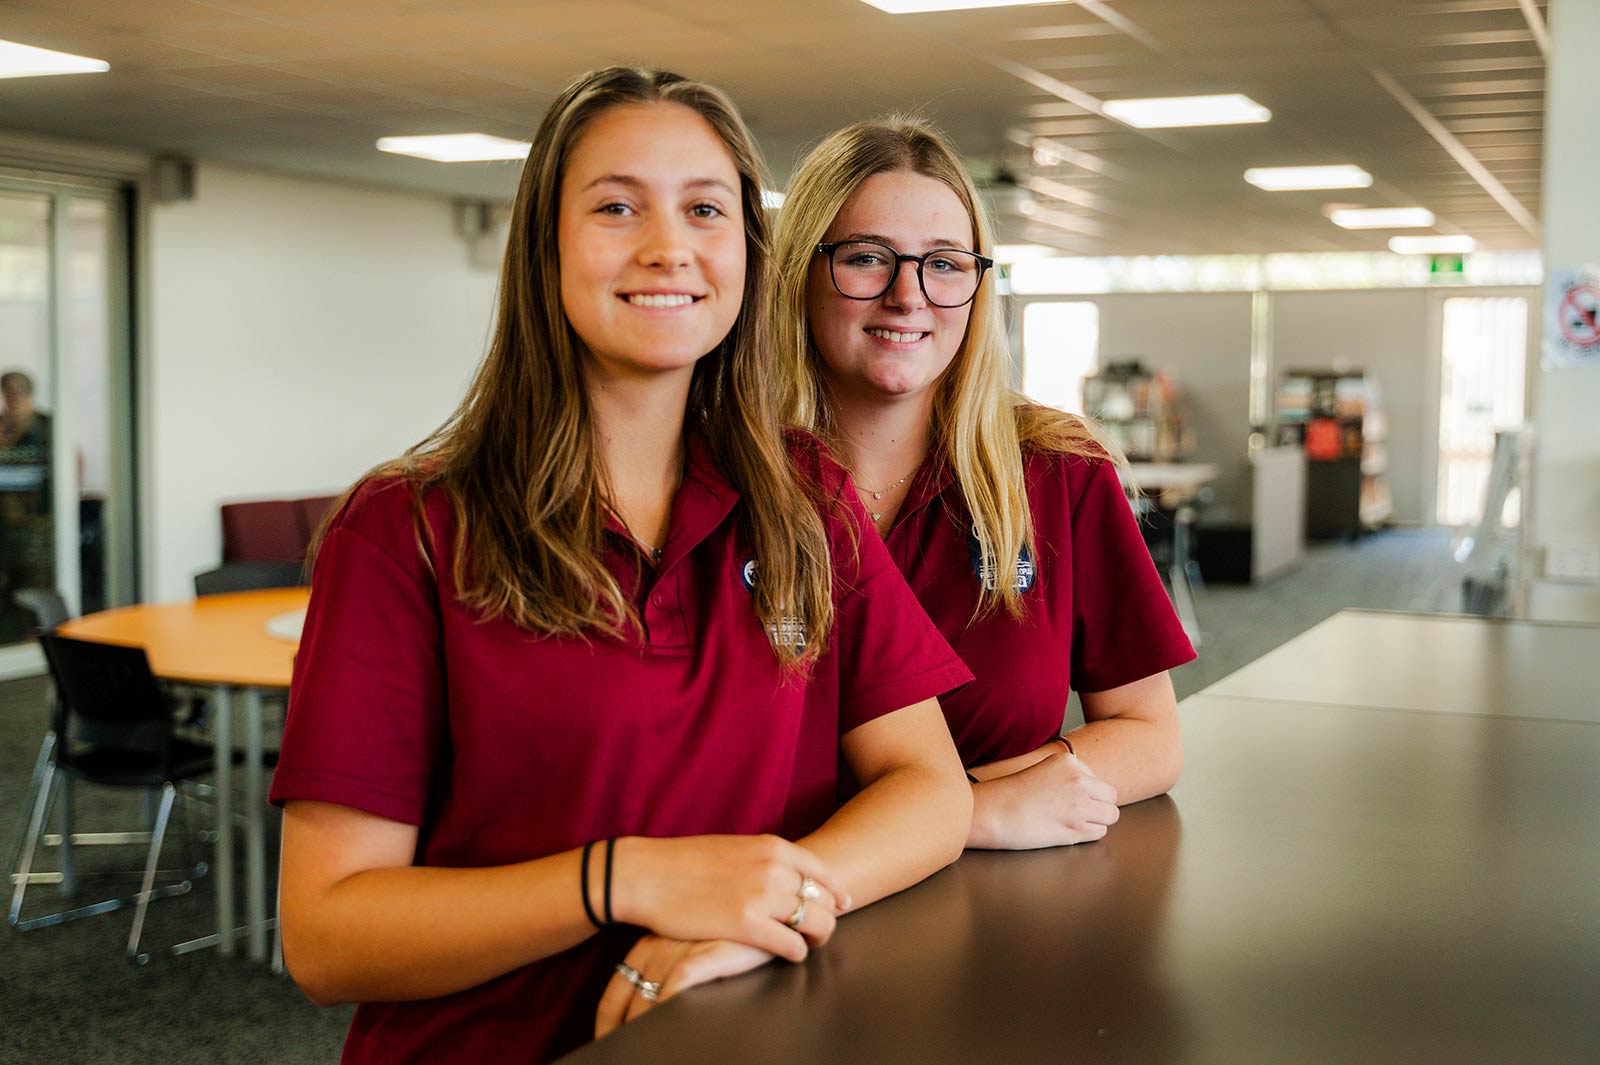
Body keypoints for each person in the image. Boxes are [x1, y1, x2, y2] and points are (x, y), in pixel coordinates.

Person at [270, 71, 973, 1065]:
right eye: (615, 206)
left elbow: (930, 788)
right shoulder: (408, 529)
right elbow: (328, 937)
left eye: (704, 209)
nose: (668, 247)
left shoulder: (803, 497)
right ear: (544, 246)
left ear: (745, 251)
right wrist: (620, 880)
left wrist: (759, 905)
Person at [771, 118, 1195, 851]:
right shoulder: (725, 480)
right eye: (869, 258)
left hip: (988, 916)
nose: (909, 295)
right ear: (798, 273)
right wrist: (970, 812)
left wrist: (968, 800)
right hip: (770, 911)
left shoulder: (1056, 470)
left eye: (945, 264)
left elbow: (1150, 735)